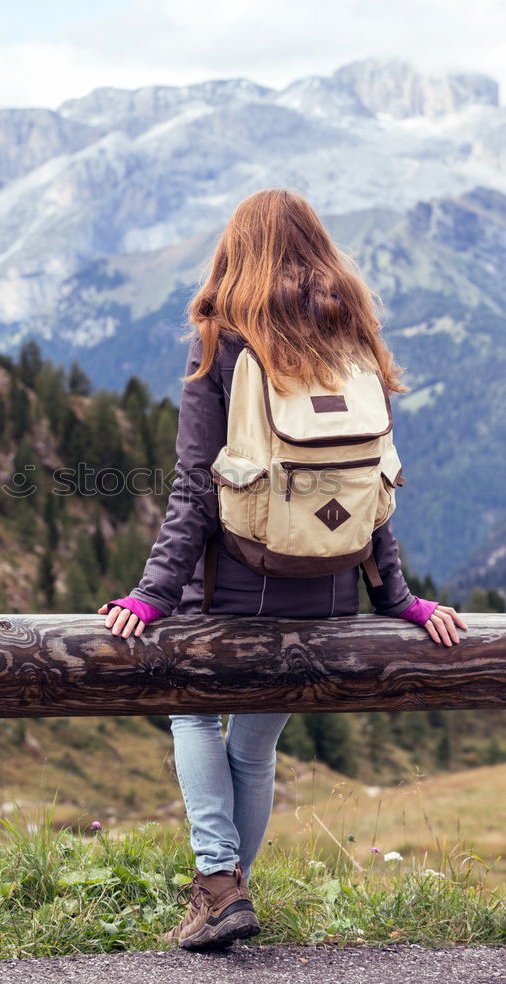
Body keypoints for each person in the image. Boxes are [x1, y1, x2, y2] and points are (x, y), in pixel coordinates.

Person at [98, 188, 467, 951]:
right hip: (327, 590)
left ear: (238, 251)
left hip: (231, 584)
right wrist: (398, 598)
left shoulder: (222, 340)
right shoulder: (352, 334)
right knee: (254, 748)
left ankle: (217, 883)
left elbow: (197, 482)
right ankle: (226, 895)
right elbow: (371, 483)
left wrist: (154, 592)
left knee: (193, 712)